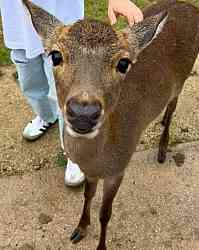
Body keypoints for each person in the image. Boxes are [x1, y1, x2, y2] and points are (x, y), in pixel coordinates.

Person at [0, 0, 143, 186]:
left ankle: (75, 154)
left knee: (70, 94)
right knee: (30, 83)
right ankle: (46, 116)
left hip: (66, 28)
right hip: (17, 22)